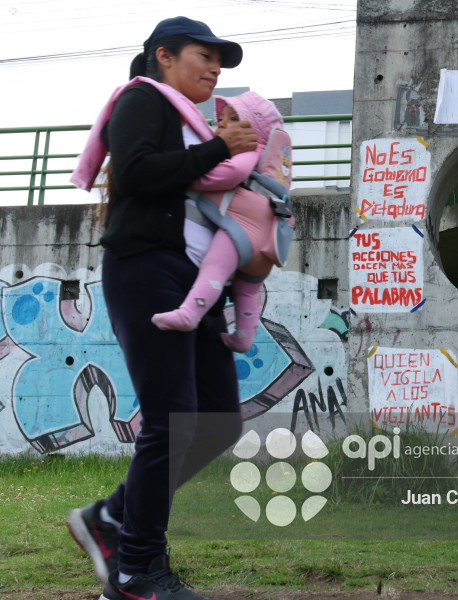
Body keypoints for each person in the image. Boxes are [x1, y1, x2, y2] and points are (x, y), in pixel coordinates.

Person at [66, 16, 257, 600]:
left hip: (193, 280)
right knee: (172, 421)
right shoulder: (143, 98)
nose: (216, 66)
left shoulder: (194, 122)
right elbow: (140, 172)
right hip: (147, 269)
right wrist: (220, 149)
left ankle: (113, 518)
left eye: (221, 58)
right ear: (164, 56)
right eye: (205, 54)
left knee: (218, 419)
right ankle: (136, 572)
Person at [151, 91, 290, 353]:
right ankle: (243, 337)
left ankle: (190, 313)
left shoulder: (249, 150)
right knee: (247, 292)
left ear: (255, 129)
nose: (223, 124)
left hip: (242, 232)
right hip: (268, 244)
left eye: (234, 118)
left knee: (215, 266)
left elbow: (232, 173)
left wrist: (191, 178)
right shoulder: (271, 162)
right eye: (220, 119)